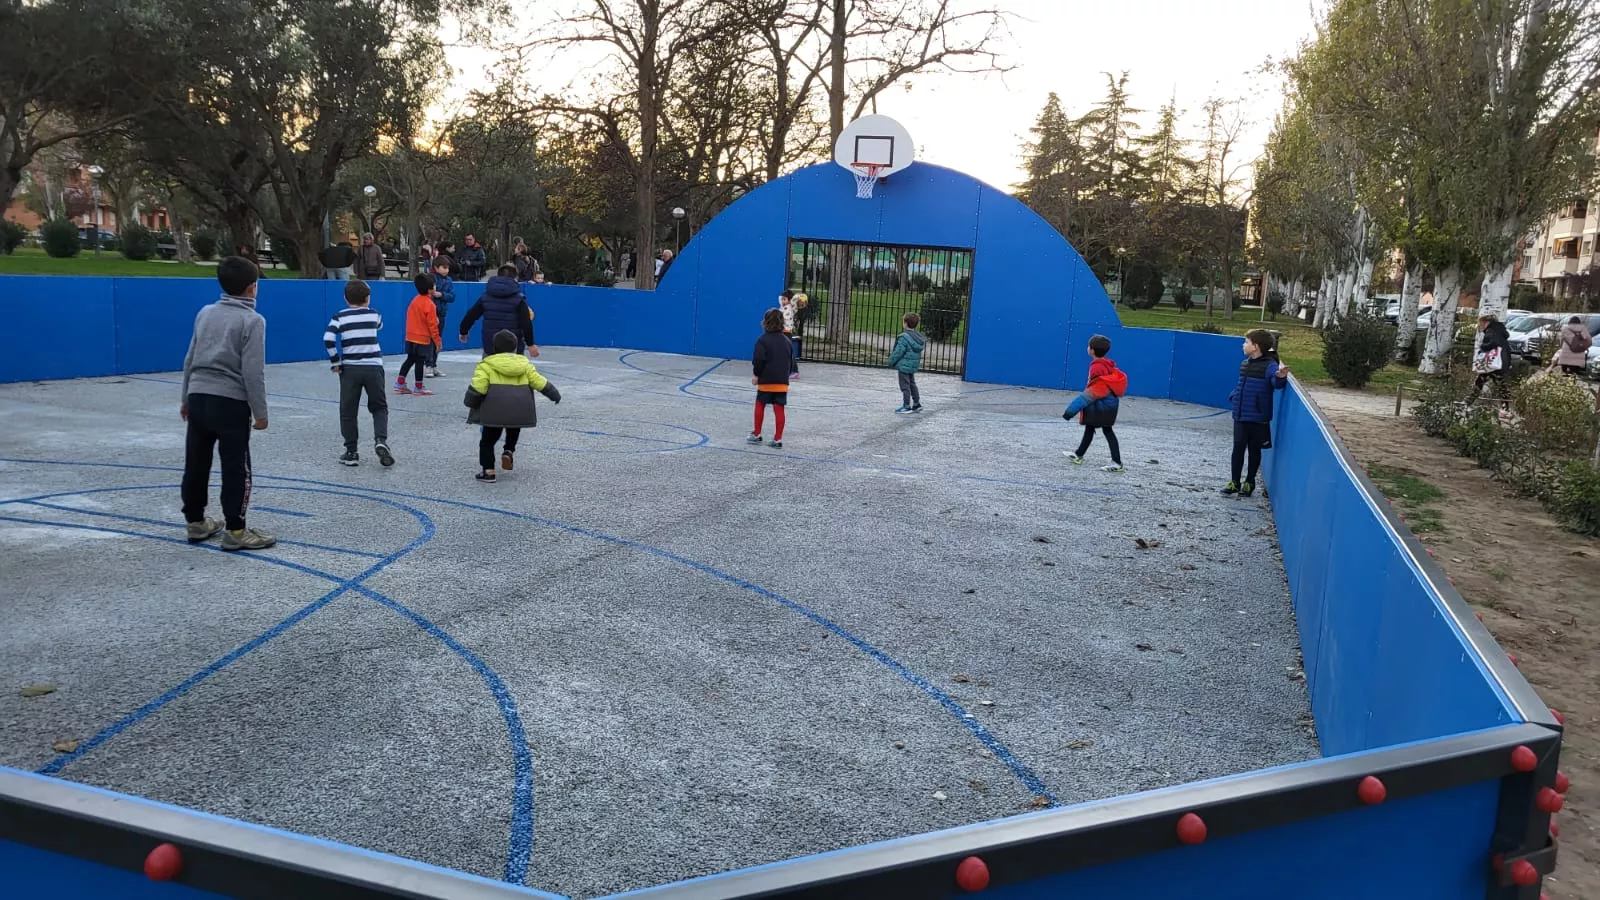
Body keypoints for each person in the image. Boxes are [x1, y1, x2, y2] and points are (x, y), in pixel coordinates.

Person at [179, 256, 276, 552]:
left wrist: (185, 398)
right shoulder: (253, 320)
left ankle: (196, 522)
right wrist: (260, 412)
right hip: (230, 403)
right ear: (252, 288)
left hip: (198, 397)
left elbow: (190, 358)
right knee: (236, 467)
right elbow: (252, 371)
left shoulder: (205, 313)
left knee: (196, 462)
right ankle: (235, 529)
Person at [465, 329, 562, 482]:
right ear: (515, 348)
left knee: (487, 441)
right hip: (518, 409)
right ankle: (508, 450)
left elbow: (479, 387)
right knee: (513, 427)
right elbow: (539, 382)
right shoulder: (525, 365)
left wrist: (470, 402)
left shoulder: (486, 365)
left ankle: (488, 471)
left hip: (493, 411)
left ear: (495, 348)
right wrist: (554, 394)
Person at [323, 280, 393, 467]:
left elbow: (328, 338)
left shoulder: (340, 316)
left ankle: (351, 451)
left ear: (346, 298)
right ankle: (381, 440)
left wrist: (335, 361)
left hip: (350, 369)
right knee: (379, 407)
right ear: (367, 298)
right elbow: (379, 326)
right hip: (374, 367)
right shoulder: (374, 314)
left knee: (348, 410)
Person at [1223, 328, 1291, 497]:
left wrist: (1281, 377)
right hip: (1240, 415)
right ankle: (1234, 482)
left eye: (1246, 342)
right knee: (1238, 448)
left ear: (1256, 346)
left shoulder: (1270, 365)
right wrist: (1235, 395)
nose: (1243, 345)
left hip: (1257, 417)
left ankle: (1250, 481)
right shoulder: (1245, 364)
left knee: (1254, 450)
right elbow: (1242, 384)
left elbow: (1275, 383)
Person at [1062, 334, 1128, 472]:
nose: (1087, 348)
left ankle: (1117, 463)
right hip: (1105, 404)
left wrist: (1069, 412)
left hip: (1103, 406)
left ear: (1092, 350)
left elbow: (1090, 394)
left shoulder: (1097, 368)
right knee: (1091, 428)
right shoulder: (1107, 365)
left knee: (1106, 430)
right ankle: (1079, 455)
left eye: (1088, 346)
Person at [458, 264, 536, 357]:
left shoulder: (486, 297)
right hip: (513, 346)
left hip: (491, 344)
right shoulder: (519, 299)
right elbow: (526, 323)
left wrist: (463, 331)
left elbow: (471, 315)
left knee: (489, 365)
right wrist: (530, 344)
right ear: (515, 278)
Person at [748, 308, 792, 449]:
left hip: (766, 380)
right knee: (779, 408)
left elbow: (759, 360)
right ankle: (778, 438)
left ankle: (757, 434)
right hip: (782, 381)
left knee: (760, 404)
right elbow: (790, 362)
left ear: (765, 323)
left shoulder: (762, 341)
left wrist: (756, 374)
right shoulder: (787, 341)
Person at [396, 273, 441, 396]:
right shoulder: (430, 304)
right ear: (430, 289)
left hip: (410, 337)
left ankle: (400, 382)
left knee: (410, 359)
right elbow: (432, 325)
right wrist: (437, 341)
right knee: (420, 362)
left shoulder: (414, 301)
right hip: (422, 339)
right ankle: (419, 387)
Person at [887, 312, 927, 413]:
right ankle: (916, 403)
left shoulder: (904, 337)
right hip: (912, 366)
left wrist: (891, 361)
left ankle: (906, 406)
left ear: (905, 323)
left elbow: (898, 352)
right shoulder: (918, 337)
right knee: (912, 384)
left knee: (905, 386)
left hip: (904, 366)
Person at [1471, 315, 1511, 406]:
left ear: (1486, 322)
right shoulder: (1500, 330)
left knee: (1480, 381)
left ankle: (1468, 402)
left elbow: (1492, 343)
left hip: (1492, 363)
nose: (1480, 325)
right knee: (1501, 384)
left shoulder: (1490, 331)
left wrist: (1482, 347)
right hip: (1501, 362)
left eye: (1481, 323)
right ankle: (1505, 405)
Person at [428, 257, 455, 378]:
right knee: (430, 340)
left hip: (442, 313)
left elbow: (452, 296)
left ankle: (434, 365)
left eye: (447, 268)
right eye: (444, 268)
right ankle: (428, 365)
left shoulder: (449, 280)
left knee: (437, 340)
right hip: (431, 313)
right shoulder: (431, 278)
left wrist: (442, 295)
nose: (446, 270)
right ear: (436, 268)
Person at [779, 290, 807, 376]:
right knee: (784, 352)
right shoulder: (782, 307)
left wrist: (800, 296)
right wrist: (783, 297)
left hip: (787, 333)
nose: (783, 301)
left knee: (789, 353)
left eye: (784, 299)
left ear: (790, 300)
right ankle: (786, 370)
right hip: (782, 332)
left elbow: (794, 299)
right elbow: (780, 298)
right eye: (782, 299)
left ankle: (794, 371)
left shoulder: (792, 307)